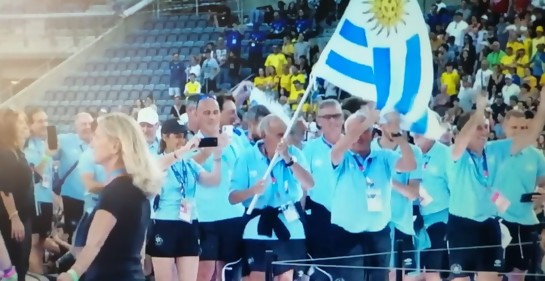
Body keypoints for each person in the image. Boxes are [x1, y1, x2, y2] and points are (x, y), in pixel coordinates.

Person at [448, 89, 545, 281]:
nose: (484, 131)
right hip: (462, 226)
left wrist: (543, 104)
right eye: (479, 127)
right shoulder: (455, 153)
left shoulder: (494, 150)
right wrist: (480, 110)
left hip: (489, 224)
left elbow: (532, 134)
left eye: (486, 127)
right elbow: (461, 141)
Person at [57, 113, 163, 281]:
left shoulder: (116, 191)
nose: (92, 143)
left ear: (115, 146)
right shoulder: (135, 188)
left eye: (97, 137)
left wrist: (72, 274)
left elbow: (95, 242)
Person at [329, 109, 416, 281]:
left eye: (364, 132)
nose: (358, 137)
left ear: (372, 134)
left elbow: (410, 164)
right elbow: (338, 149)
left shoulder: (384, 156)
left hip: (379, 233)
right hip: (347, 234)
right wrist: (368, 120)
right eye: (354, 132)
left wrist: (398, 136)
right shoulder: (341, 156)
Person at [230, 114, 314, 281]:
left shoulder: (295, 153)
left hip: (290, 225)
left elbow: (309, 184)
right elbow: (233, 197)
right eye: (279, 135)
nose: (284, 139)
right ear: (264, 135)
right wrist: (252, 191)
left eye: (287, 134)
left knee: (285, 278)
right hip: (257, 226)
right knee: (257, 276)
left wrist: (288, 159)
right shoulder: (247, 157)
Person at [148, 118, 223, 281]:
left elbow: (213, 181)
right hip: (164, 222)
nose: (182, 140)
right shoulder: (157, 159)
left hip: (188, 222)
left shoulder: (189, 163)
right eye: (177, 136)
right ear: (165, 137)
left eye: (183, 136)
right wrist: (185, 150)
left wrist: (217, 158)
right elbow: (157, 167)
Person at [190, 95, 246, 281]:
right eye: (206, 113)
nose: (212, 117)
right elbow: (189, 168)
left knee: (229, 272)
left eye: (215, 112)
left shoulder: (235, 140)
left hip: (233, 215)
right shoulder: (191, 143)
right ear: (196, 115)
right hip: (204, 219)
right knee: (204, 273)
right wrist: (211, 148)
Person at [302, 100, 343, 264]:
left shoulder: (353, 145)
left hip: (350, 216)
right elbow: (302, 186)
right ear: (318, 120)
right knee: (322, 269)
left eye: (336, 116)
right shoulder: (310, 149)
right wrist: (301, 214)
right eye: (327, 117)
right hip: (320, 216)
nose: (333, 120)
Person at [0, 107, 32, 281]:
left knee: (21, 263)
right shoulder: (5, 154)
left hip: (22, 216)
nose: (25, 125)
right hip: (11, 219)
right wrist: (14, 217)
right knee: (15, 263)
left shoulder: (16, 151)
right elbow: (4, 188)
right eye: (20, 122)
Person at [413, 133, 450, 281]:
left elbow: (455, 188)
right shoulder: (410, 152)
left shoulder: (446, 155)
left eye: (420, 129)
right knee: (414, 272)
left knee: (433, 271)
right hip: (414, 221)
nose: (415, 133)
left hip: (440, 220)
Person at [23, 107, 56, 274]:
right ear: (30, 125)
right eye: (40, 121)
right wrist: (47, 156)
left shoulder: (45, 144)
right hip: (34, 201)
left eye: (46, 120)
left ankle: (38, 275)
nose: (45, 124)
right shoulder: (24, 148)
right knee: (33, 245)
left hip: (46, 200)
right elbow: (33, 176)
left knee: (41, 244)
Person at [57, 112, 94, 242]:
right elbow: (48, 156)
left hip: (93, 199)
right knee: (72, 235)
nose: (88, 127)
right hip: (71, 198)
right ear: (76, 126)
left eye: (90, 123)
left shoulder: (99, 142)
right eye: (84, 124)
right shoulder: (64, 140)